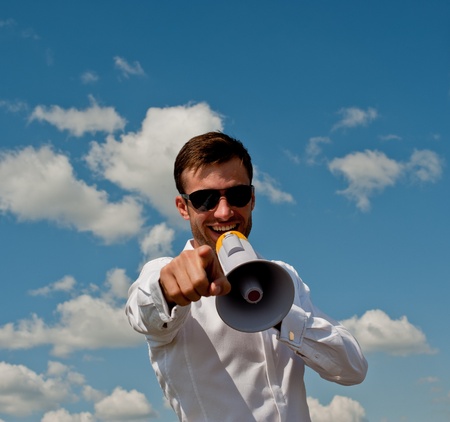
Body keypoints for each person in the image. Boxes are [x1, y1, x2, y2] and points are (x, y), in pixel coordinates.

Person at [126, 132, 368, 422]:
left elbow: (352, 368)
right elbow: (144, 309)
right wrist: (168, 289)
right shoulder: (164, 271)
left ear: (252, 199)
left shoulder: (284, 276)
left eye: (237, 195)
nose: (224, 211)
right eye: (205, 199)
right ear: (183, 207)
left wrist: (279, 315)